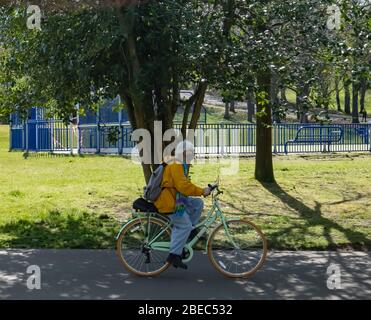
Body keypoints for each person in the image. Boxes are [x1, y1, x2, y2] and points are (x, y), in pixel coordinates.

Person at [154, 140, 211, 270]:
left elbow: (183, 186)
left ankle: (188, 231)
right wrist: (202, 191)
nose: (193, 155)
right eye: (192, 153)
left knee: (197, 203)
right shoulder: (176, 164)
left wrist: (202, 192)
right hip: (168, 202)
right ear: (184, 153)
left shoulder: (181, 164)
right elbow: (183, 186)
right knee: (184, 224)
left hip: (176, 199)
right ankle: (174, 255)